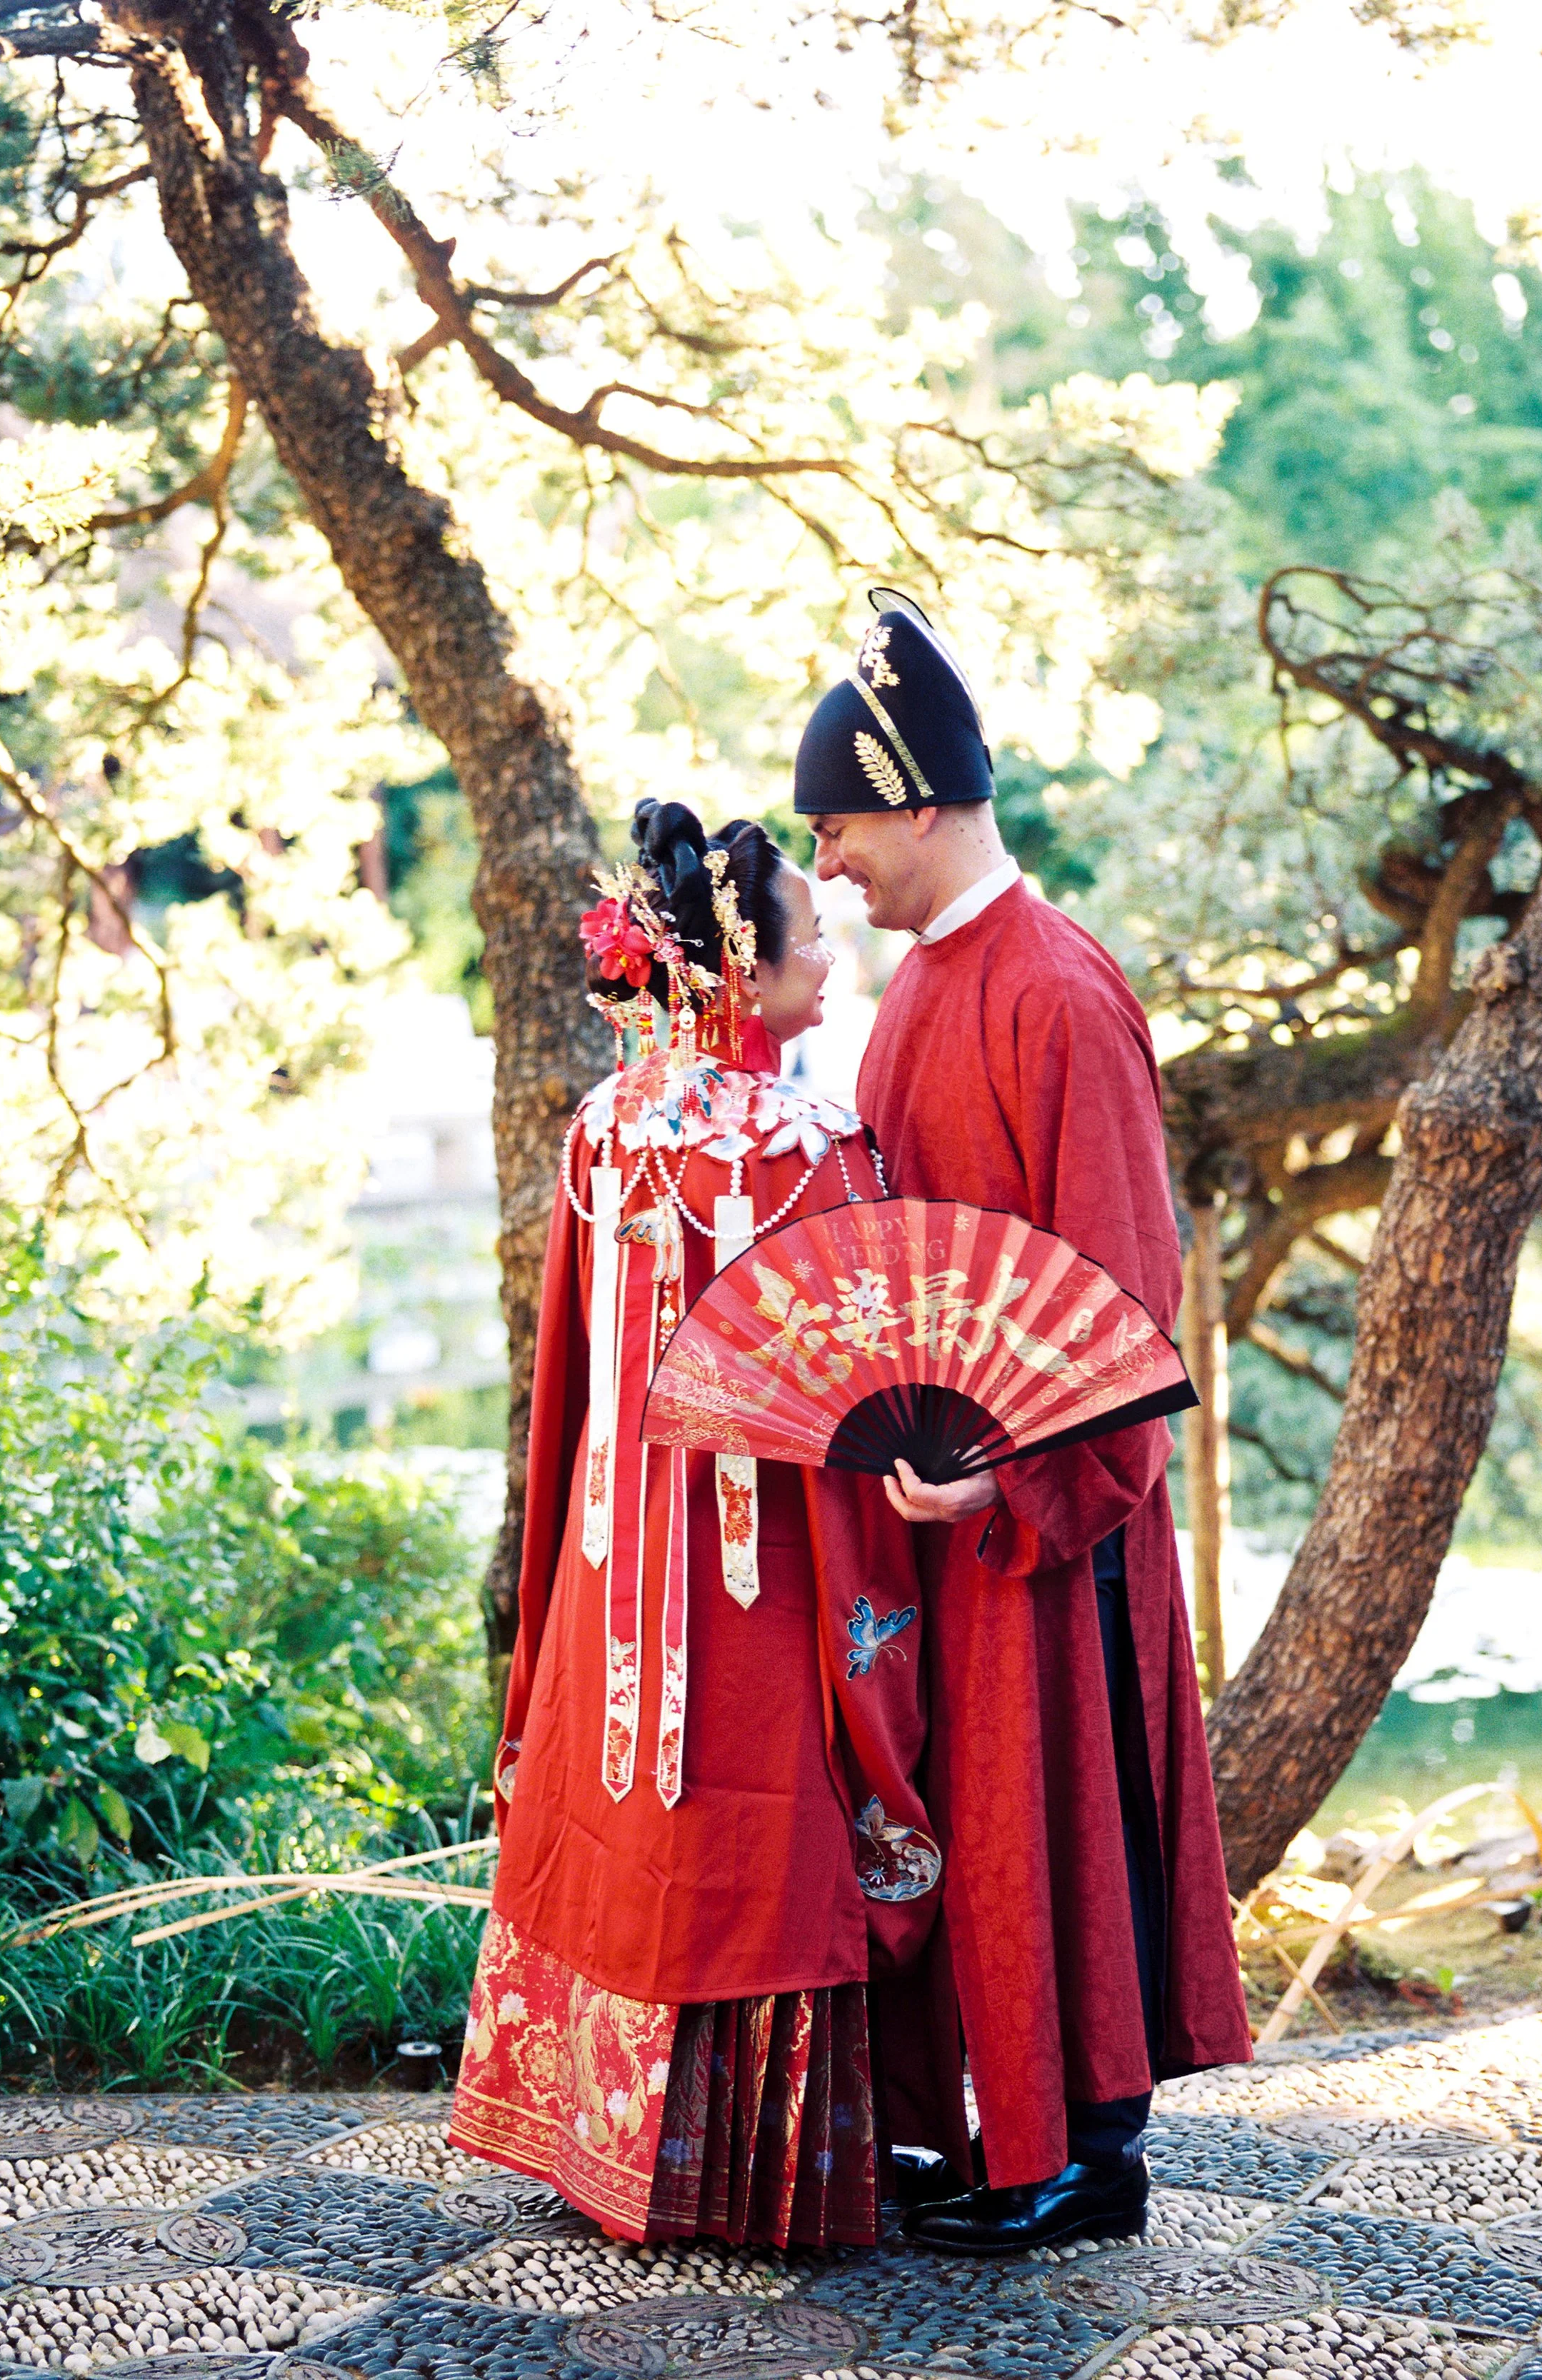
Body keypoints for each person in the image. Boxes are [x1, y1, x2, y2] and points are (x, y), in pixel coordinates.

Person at [793, 591, 1253, 2255]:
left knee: (1055, 1820)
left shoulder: (1056, 990)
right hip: (941, 1496)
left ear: (917, 801)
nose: (826, 863)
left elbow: (1127, 1290)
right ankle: (990, 2130)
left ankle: (1089, 2156)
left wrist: (1022, 1473)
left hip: (1052, 1508)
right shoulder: (919, 989)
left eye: (837, 825)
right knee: (969, 1831)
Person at [449, 799, 941, 2251]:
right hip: (766, 1563)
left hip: (617, 1558)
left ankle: (610, 2150)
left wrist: (568, 1553)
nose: (832, 944)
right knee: (763, 1823)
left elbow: (566, 1381)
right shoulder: (817, 1146)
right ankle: (753, 2170)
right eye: (806, 926)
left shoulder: (603, 1127)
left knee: (635, 1808)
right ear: (735, 965)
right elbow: (870, 1395)